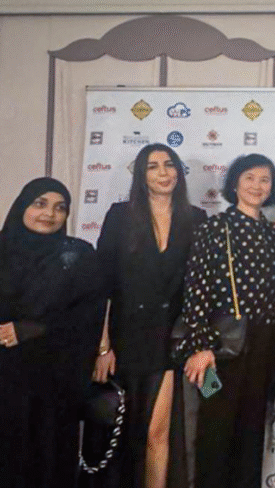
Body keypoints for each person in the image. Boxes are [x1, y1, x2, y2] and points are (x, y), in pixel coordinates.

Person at [0, 177, 105, 488]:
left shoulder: (79, 257)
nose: (49, 214)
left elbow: (87, 317)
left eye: (60, 208)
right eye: (40, 204)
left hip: (50, 386)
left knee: (43, 463)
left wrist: (33, 329)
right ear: (22, 206)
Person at [173, 153, 275, 488]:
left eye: (265, 179)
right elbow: (196, 289)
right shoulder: (216, 228)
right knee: (214, 431)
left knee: (252, 433)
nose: (257, 185)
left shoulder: (272, 235)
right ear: (235, 183)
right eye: (249, 177)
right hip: (220, 350)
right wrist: (200, 346)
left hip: (264, 348)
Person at [92, 143, 206, 488]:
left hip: (170, 340)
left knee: (158, 432)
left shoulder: (197, 218)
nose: (163, 173)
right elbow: (102, 285)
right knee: (124, 433)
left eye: (169, 165)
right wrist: (102, 347)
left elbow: (203, 288)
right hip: (124, 338)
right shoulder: (119, 216)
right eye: (153, 166)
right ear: (141, 176)